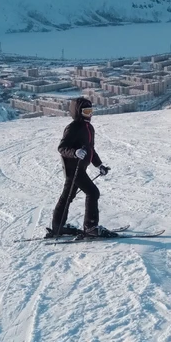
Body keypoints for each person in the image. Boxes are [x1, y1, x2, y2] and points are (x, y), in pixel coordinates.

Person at [47, 96, 111, 237]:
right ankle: (90, 227)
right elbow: (62, 147)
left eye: (91, 111)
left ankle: (58, 226)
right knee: (93, 192)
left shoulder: (89, 128)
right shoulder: (73, 127)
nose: (90, 115)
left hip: (80, 168)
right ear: (78, 112)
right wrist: (75, 152)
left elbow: (91, 150)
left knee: (67, 197)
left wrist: (99, 165)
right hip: (73, 169)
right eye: (86, 111)